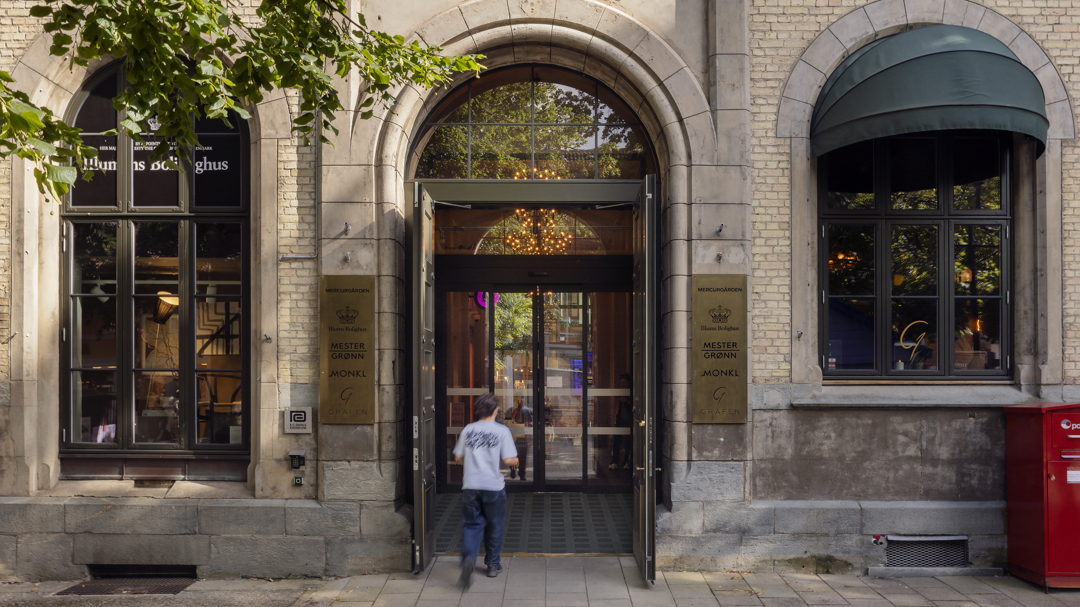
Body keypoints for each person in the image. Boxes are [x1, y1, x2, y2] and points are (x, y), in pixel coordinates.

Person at [453, 392, 518, 588]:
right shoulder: (502, 431)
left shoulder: (468, 429)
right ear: (495, 411)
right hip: (493, 486)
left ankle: (468, 559)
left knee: (472, 525)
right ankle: (492, 565)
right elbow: (508, 460)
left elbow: (458, 457)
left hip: (471, 485)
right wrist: (516, 461)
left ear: (478, 411)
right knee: (494, 525)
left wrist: (469, 464)